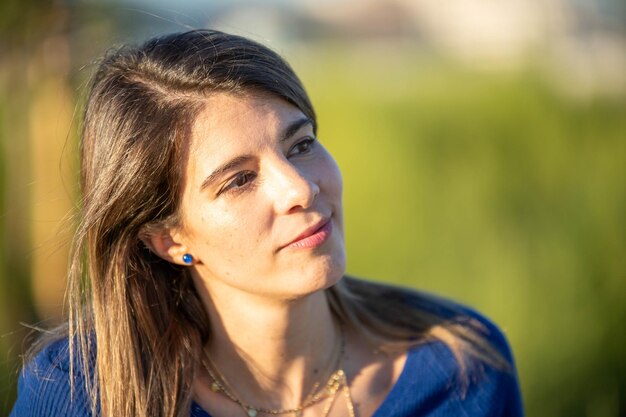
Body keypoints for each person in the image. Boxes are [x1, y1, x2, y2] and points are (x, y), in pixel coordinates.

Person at [10, 29, 523, 417]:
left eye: (300, 145)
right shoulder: (81, 392)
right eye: (238, 180)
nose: (299, 189)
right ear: (170, 239)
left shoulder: (460, 367)